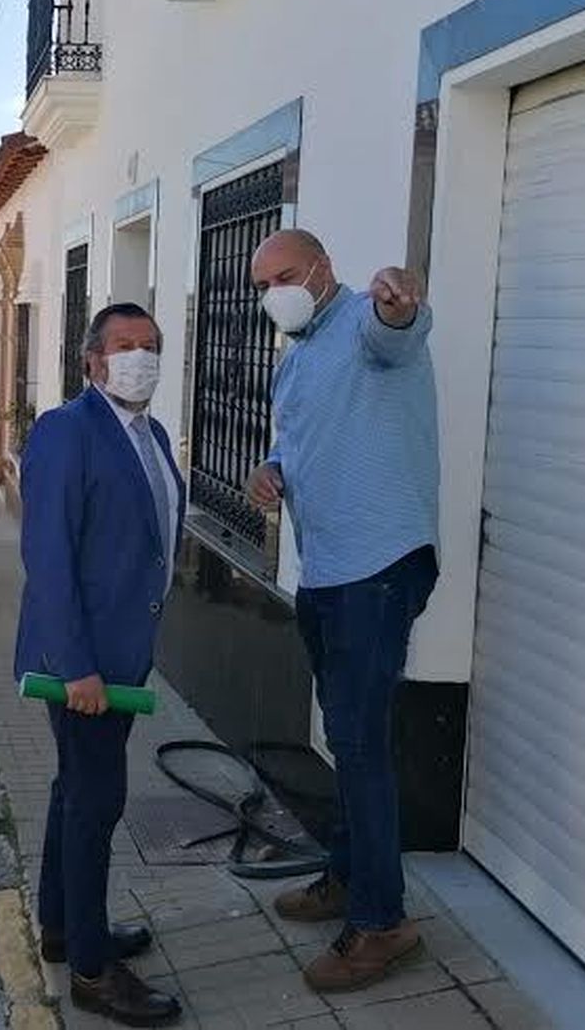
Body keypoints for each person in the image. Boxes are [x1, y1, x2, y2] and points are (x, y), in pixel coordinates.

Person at [244, 229, 439, 994]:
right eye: (264, 283)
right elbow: (296, 443)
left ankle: (382, 921)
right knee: (345, 738)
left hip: (379, 569)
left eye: (287, 275)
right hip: (326, 571)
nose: (275, 292)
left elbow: (400, 330)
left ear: (324, 269)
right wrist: (270, 470)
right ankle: (346, 874)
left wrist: (398, 302)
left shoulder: (365, 321)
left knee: (360, 744)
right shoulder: (296, 360)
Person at [12, 303, 185, 1028]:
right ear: (93, 362)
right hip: (84, 668)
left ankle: (63, 925)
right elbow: (46, 557)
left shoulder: (151, 432)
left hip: (121, 657)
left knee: (75, 793)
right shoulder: (66, 431)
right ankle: (89, 969)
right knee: (96, 805)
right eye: (123, 346)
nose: (138, 357)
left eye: (149, 346)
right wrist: (76, 665)